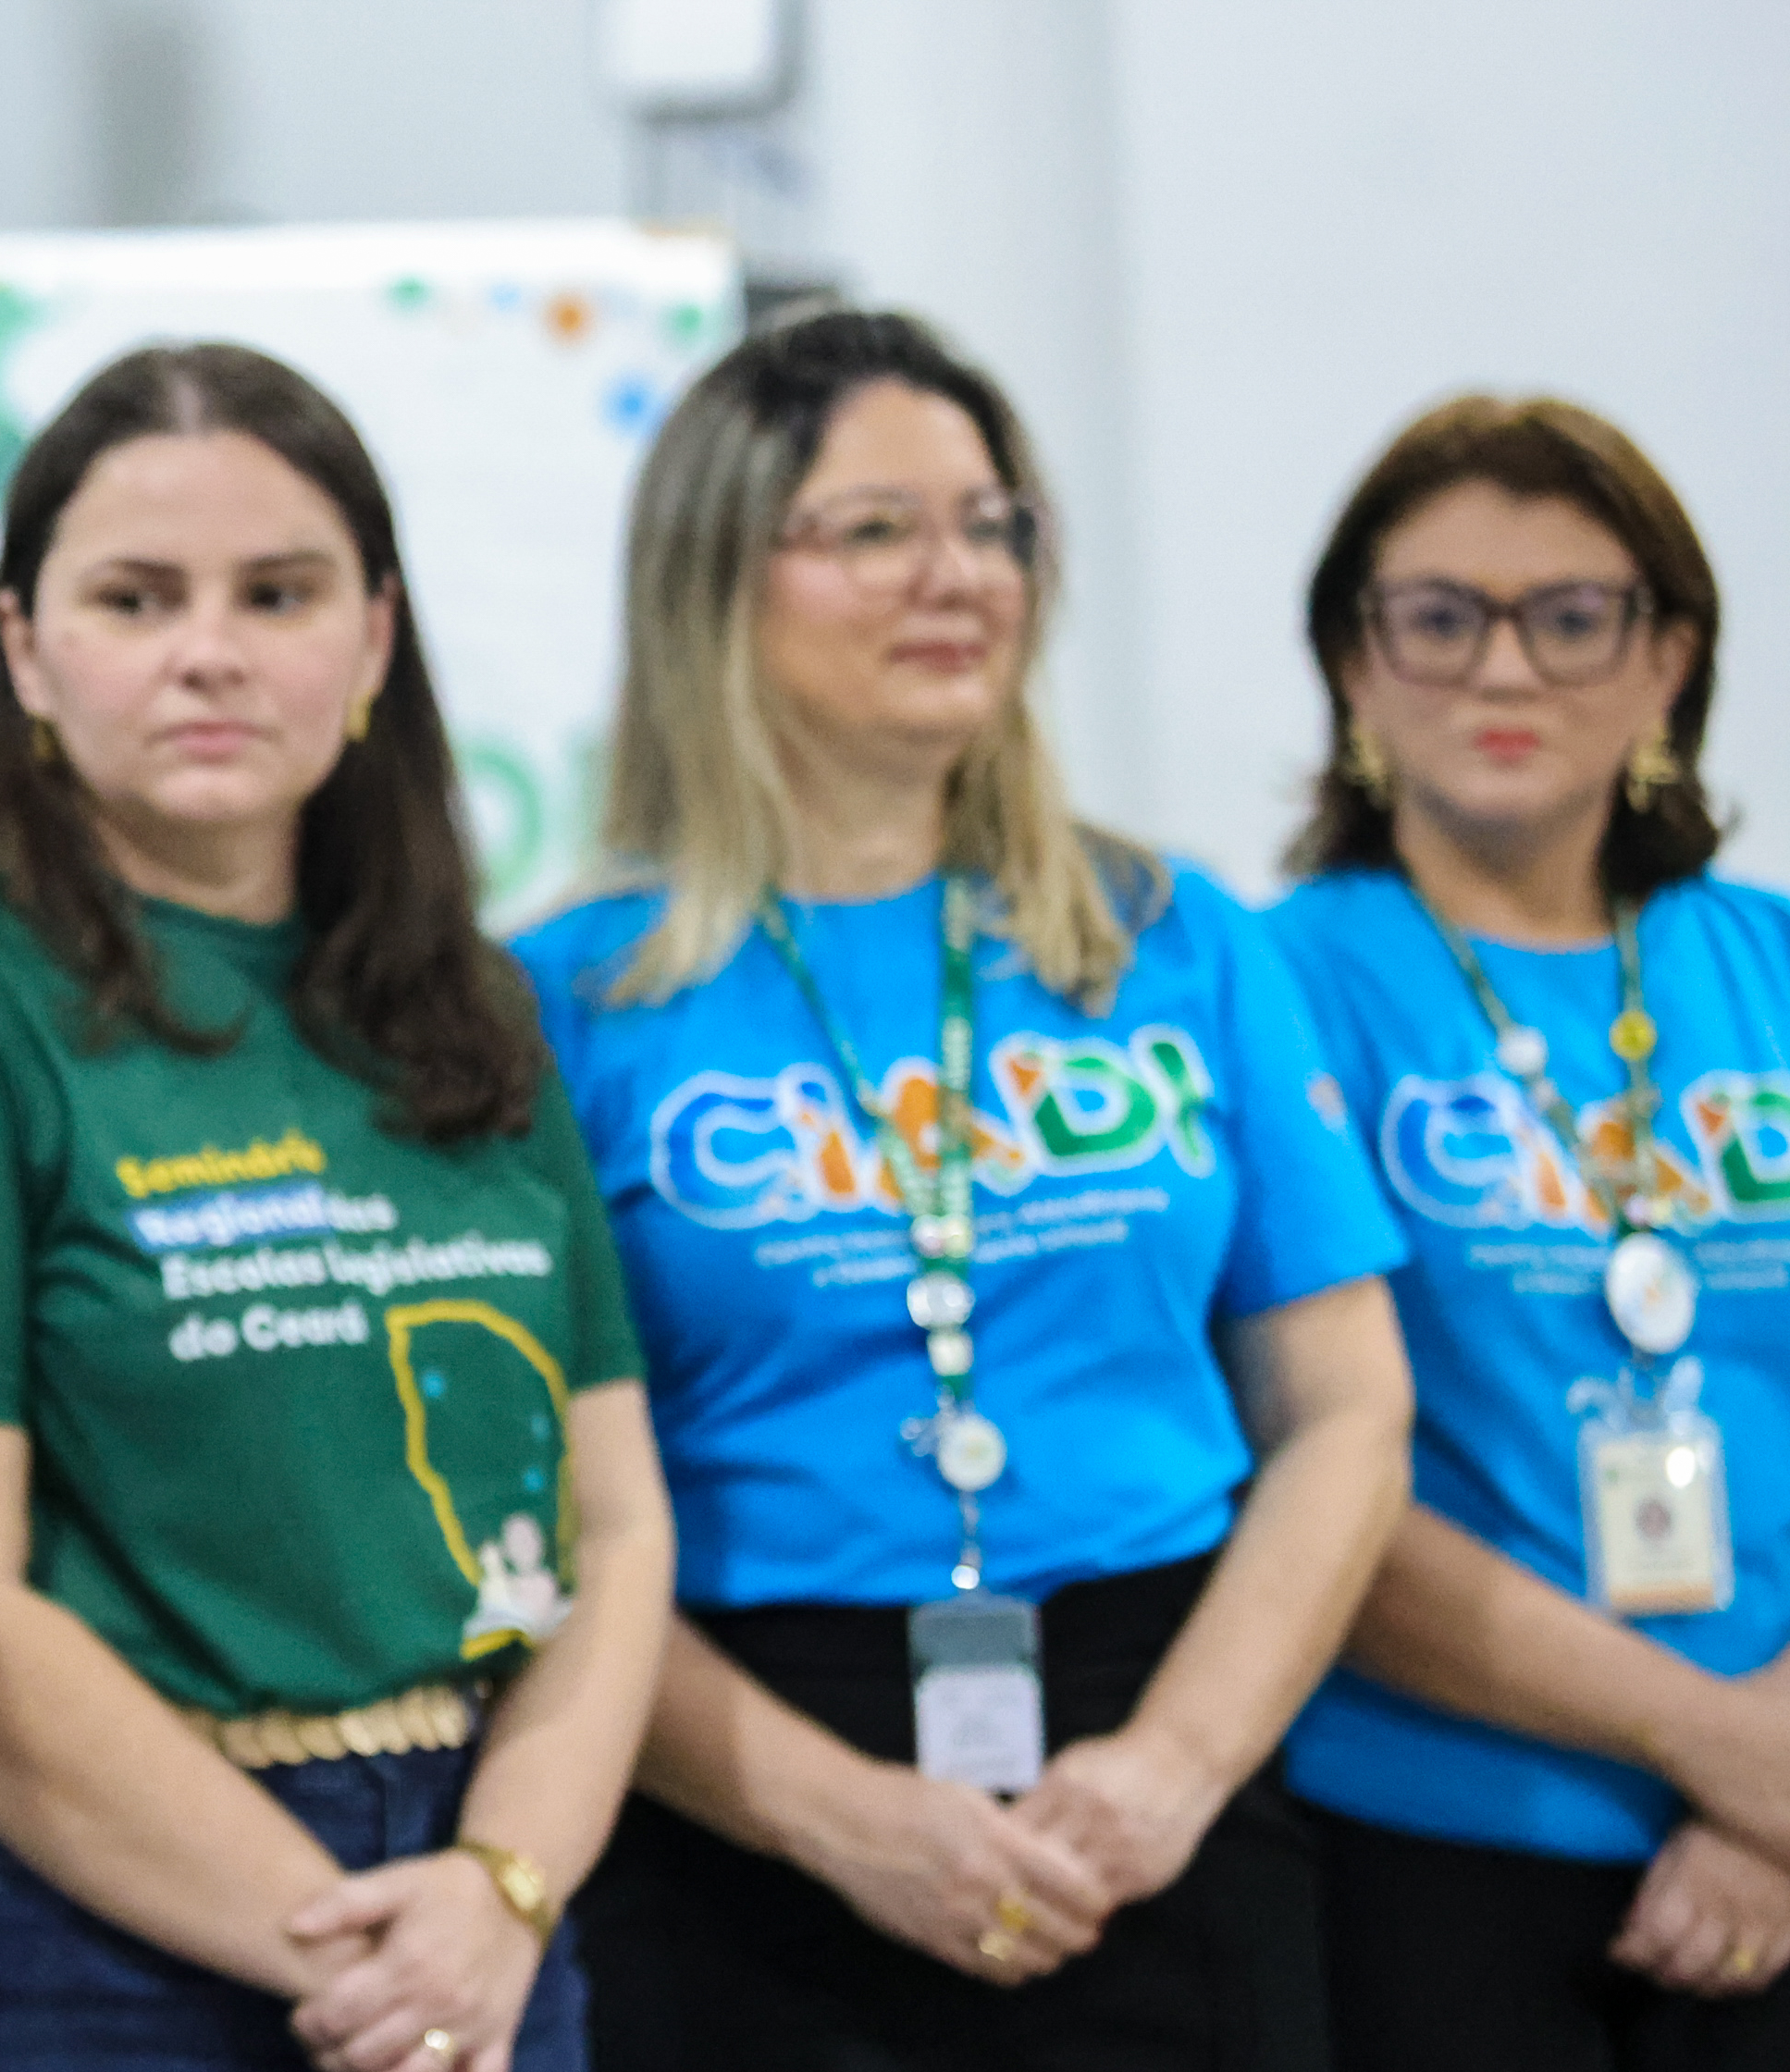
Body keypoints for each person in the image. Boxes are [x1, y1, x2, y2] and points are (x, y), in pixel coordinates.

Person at [507, 309, 1417, 2069]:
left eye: (993, 525)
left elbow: (1347, 1412)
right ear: (716, 577)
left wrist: (1173, 1769)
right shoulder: (557, 1003)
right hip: (741, 1794)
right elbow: (533, 1520)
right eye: (876, 531)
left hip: (1160, 1761)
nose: (961, 576)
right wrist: (840, 1817)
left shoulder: (1176, 944)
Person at [0, 342, 675, 2072]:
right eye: (135, 598)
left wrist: (497, 1891)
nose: (210, 650)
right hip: (80, 1915)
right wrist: (370, 1960)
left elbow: (621, 1524)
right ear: (27, 650)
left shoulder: (472, 998)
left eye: (278, 594)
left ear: (373, 640)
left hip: (489, 1880)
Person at [1266, 395, 1790, 2067]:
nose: (1504, 673)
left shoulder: (1770, 968)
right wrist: (1720, 1749)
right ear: (1354, 662)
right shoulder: (1263, 991)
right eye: (1439, 618)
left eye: (1572, 618)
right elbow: (1306, 1464)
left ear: (1669, 663)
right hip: (1427, 1838)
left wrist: (1770, 1783)